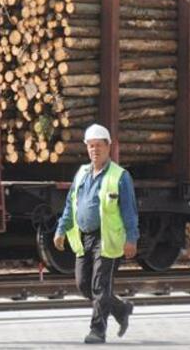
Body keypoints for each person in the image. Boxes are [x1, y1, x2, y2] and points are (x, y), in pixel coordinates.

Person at [53, 123, 139, 344]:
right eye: (91, 146)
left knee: (100, 286)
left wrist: (131, 239)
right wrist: (61, 229)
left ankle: (97, 331)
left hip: (107, 239)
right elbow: (70, 204)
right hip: (84, 237)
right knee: (84, 284)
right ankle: (120, 309)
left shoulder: (120, 176)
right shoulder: (81, 173)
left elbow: (129, 211)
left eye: (99, 146)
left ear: (108, 147)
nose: (94, 150)